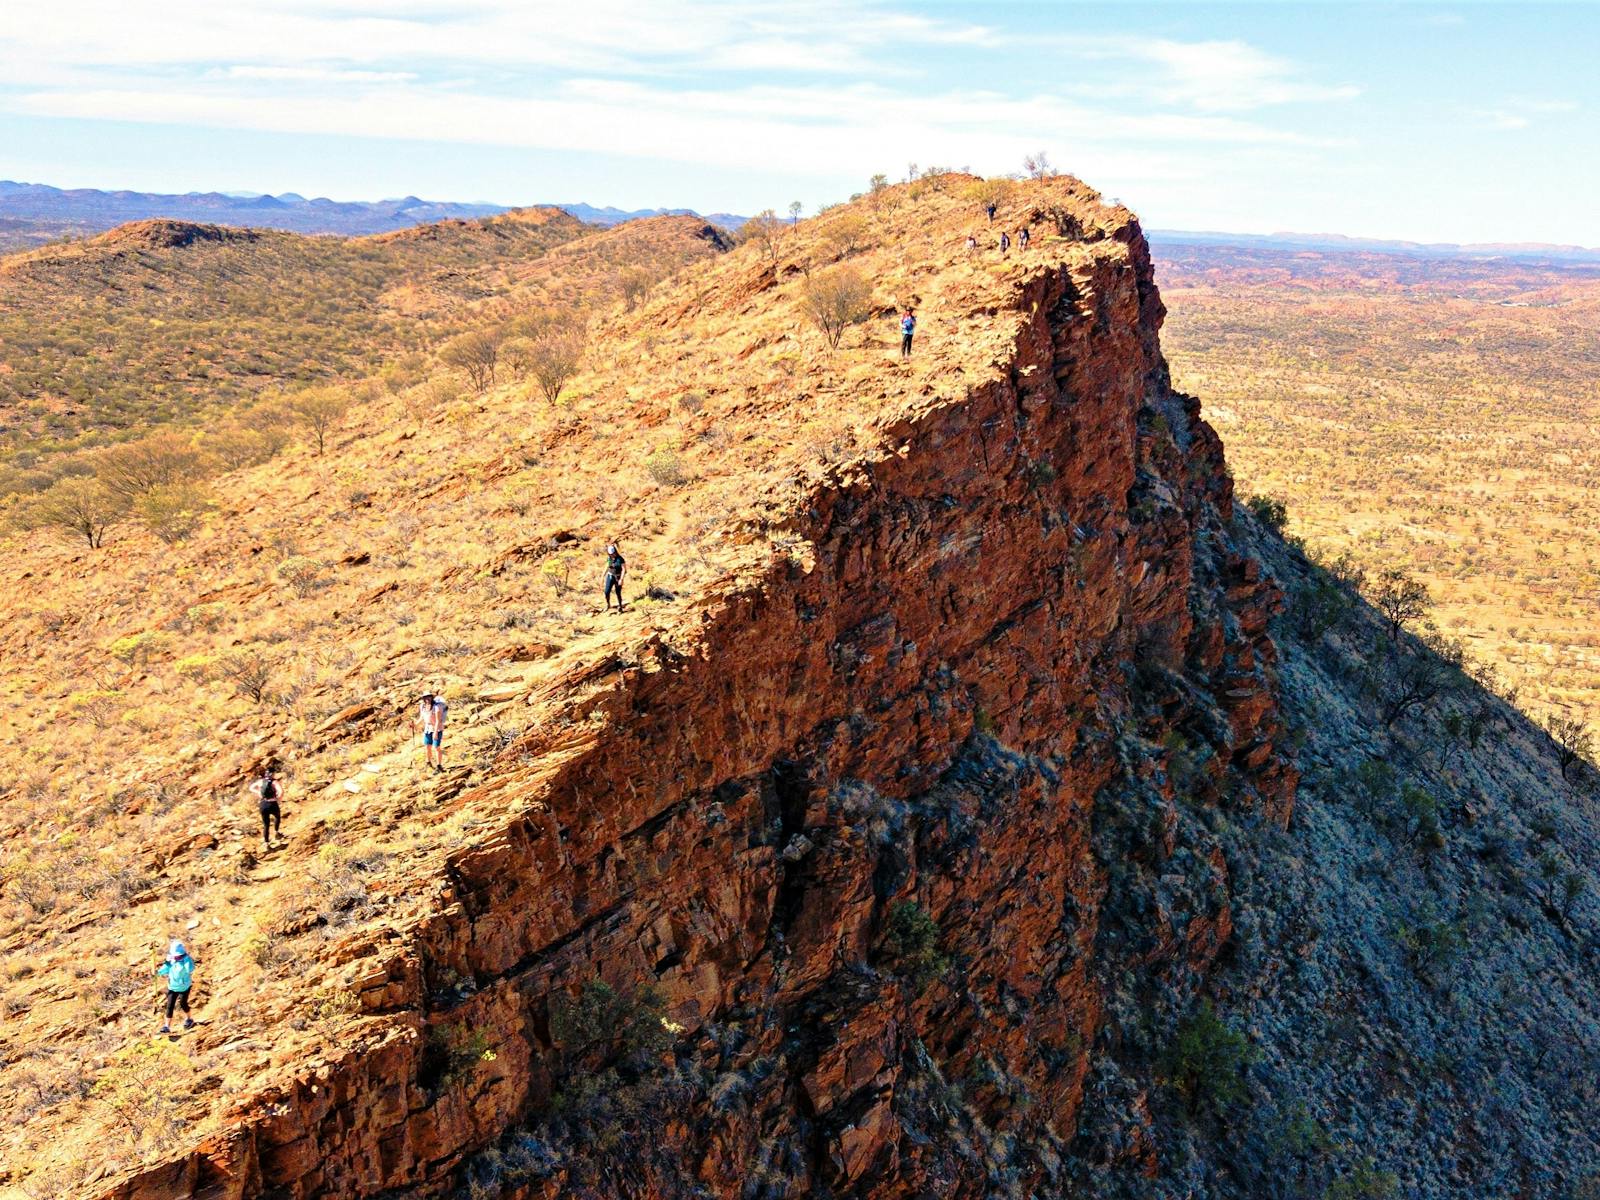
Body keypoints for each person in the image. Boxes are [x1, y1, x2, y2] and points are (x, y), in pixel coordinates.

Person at [156, 940, 197, 1033]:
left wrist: (186, 959)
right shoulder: (171, 960)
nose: (176, 956)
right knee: (169, 1006)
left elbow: (189, 969)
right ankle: (167, 1026)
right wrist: (158, 971)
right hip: (172, 987)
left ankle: (189, 1019)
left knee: (183, 1003)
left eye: (178, 955)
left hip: (184, 987)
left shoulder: (186, 960)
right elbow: (165, 969)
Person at [413, 692, 448, 770]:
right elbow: (422, 717)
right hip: (428, 728)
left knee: (437, 747)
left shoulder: (436, 707)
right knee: (427, 747)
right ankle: (428, 762)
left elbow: (438, 721)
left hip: (437, 728)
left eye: (429, 697)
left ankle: (439, 766)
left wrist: (435, 733)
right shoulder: (423, 706)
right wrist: (415, 724)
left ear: (431, 697)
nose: (427, 699)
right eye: (425, 697)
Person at [249, 766, 282, 849]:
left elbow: (251, 788)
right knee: (277, 817)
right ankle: (276, 832)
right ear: (273, 773)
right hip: (273, 803)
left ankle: (266, 843)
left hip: (263, 804)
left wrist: (258, 792)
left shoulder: (260, 781)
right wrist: (278, 799)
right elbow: (281, 791)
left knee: (266, 824)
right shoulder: (274, 782)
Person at [603, 542, 626, 612]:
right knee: (606, 591)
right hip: (610, 576)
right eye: (610, 554)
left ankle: (620, 607)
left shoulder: (620, 559)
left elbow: (624, 569)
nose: (612, 555)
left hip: (618, 577)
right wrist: (602, 576)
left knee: (618, 592)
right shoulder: (609, 558)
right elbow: (607, 566)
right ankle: (608, 604)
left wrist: (621, 579)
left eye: (613, 553)